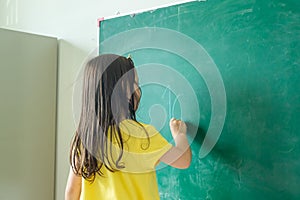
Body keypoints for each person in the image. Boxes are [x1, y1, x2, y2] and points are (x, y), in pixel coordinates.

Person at [65, 54, 191, 200]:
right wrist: (179, 134)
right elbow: (183, 160)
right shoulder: (142, 136)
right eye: (135, 83)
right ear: (124, 88)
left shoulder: (85, 139)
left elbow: (72, 191)